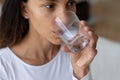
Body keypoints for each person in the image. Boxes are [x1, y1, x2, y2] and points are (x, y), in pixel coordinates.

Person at [0, 0, 98, 80]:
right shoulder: (3, 67)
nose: (65, 19)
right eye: (50, 6)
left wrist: (81, 71)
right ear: (25, 9)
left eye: (70, 3)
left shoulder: (74, 54)